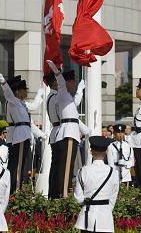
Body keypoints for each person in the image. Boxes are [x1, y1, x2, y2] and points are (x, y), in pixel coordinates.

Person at [46, 60, 90, 198]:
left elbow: (74, 104)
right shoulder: (63, 93)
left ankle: (56, 194)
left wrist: (81, 90)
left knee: (62, 166)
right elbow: (61, 83)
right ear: (68, 82)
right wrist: (56, 71)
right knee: (66, 167)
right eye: (73, 81)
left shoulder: (67, 97)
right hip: (69, 133)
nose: (75, 84)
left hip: (65, 131)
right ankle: (63, 195)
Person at [0, 71, 32, 194]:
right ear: (17, 92)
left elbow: (27, 122)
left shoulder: (20, 103)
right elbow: (8, 93)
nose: (26, 92)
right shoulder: (13, 100)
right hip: (20, 136)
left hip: (23, 135)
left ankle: (13, 189)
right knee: (18, 165)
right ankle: (15, 191)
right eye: (23, 90)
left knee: (18, 164)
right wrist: (3, 81)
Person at [74, 136, 119, 233]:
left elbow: (78, 198)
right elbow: (113, 197)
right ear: (106, 152)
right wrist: (106, 208)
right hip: (105, 219)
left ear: (90, 152)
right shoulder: (113, 172)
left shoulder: (82, 171)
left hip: (87, 218)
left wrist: (88, 202)